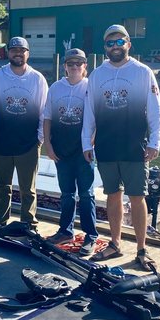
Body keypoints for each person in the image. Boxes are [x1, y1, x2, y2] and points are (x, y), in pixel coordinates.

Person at [81, 25, 160, 270]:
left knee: (137, 197)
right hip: (106, 146)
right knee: (112, 195)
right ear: (104, 47)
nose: (115, 47)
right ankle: (115, 244)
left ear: (128, 44)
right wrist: (87, 142)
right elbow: (89, 113)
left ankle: (141, 249)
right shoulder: (97, 75)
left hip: (134, 147)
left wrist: (154, 141)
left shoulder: (143, 72)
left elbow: (156, 110)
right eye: (110, 43)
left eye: (120, 42)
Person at [0, 37, 48, 227]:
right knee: (2, 187)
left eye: (22, 50)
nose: (18, 53)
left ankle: (29, 223)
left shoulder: (37, 79)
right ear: (8, 52)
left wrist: (40, 139)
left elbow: (44, 112)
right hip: (0, 142)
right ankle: (0, 223)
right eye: (14, 50)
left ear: (28, 53)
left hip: (29, 144)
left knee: (28, 189)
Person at [42, 48, 99, 256]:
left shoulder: (91, 88)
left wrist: (91, 143)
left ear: (85, 66)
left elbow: (98, 119)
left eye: (79, 63)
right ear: (64, 66)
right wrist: (47, 143)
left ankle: (90, 235)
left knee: (86, 194)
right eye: (70, 64)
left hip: (83, 151)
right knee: (67, 194)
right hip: (61, 150)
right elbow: (47, 117)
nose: (74, 67)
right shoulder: (56, 87)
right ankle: (65, 231)